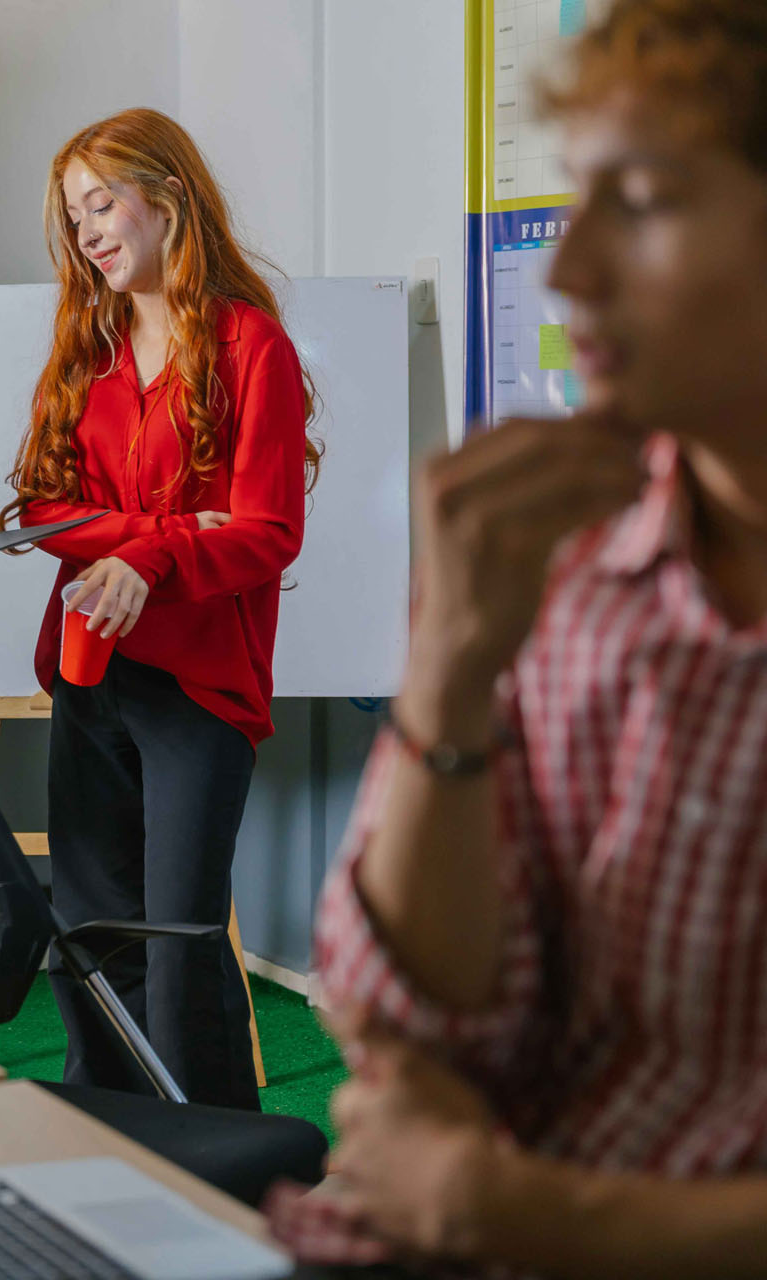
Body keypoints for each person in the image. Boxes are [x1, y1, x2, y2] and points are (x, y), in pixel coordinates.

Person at [267, 1, 767, 1274]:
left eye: (641, 201)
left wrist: (523, 1210)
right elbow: (413, 1019)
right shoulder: (576, 558)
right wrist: (448, 674)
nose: (567, 271)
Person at [5, 109, 321, 1111]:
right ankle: (107, 1130)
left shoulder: (250, 344)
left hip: (201, 681)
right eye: (75, 216)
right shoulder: (85, 345)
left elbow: (267, 531)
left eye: (102, 205)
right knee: (92, 932)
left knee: (181, 937)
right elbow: (42, 507)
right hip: (91, 666)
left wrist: (150, 556)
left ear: (170, 197)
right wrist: (161, 535)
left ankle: (225, 1158)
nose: (88, 232)